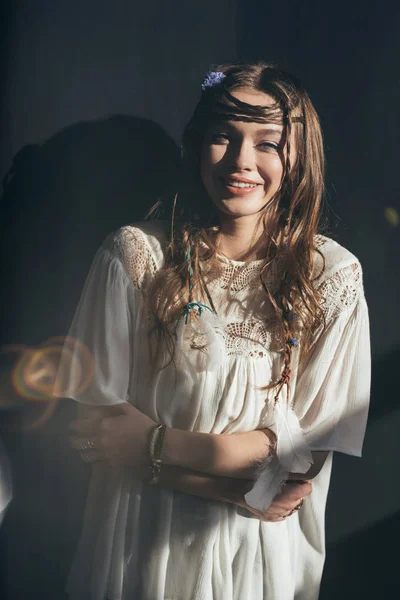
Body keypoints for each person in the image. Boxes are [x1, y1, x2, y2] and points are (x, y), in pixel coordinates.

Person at [54, 62, 371, 600]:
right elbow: (95, 429)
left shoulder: (333, 276)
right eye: (223, 136)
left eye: (268, 143)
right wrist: (230, 488)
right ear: (198, 143)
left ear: (299, 157)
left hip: (259, 563)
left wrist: (151, 445)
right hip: (137, 545)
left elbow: (300, 464)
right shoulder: (135, 257)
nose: (241, 161)